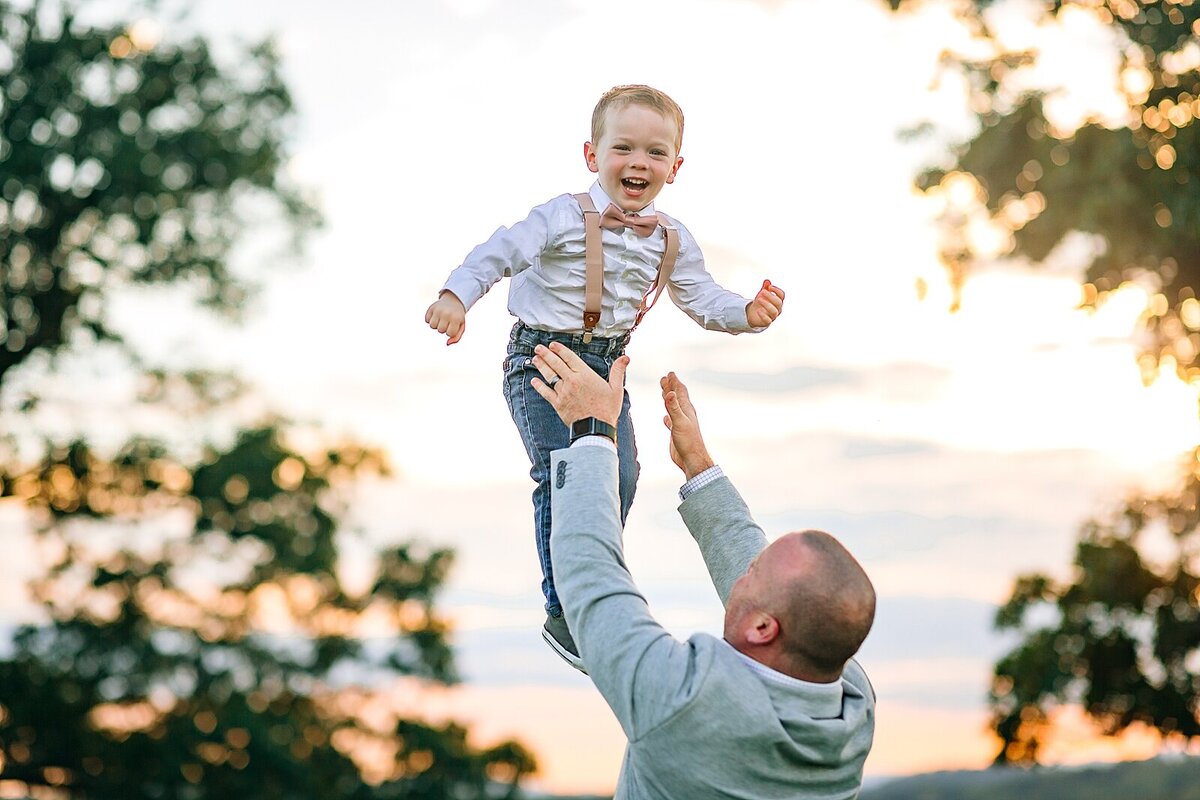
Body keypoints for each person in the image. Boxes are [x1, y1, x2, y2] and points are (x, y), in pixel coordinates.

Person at [425, 84, 786, 669]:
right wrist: (455, 296)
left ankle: (591, 579)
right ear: (593, 155)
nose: (638, 162)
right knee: (563, 471)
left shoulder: (672, 238)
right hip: (541, 358)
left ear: (675, 165)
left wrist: (747, 314)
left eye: (654, 152)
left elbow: (701, 297)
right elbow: (499, 250)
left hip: (606, 365)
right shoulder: (561, 215)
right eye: (623, 148)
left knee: (620, 474)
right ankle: (565, 609)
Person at [528, 340, 876, 799]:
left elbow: (591, 576)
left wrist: (592, 429)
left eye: (752, 573)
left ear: (764, 627)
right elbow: (794, 602)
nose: (742, 573)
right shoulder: (850, 706)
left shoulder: (680, 704)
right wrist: (698, 465)